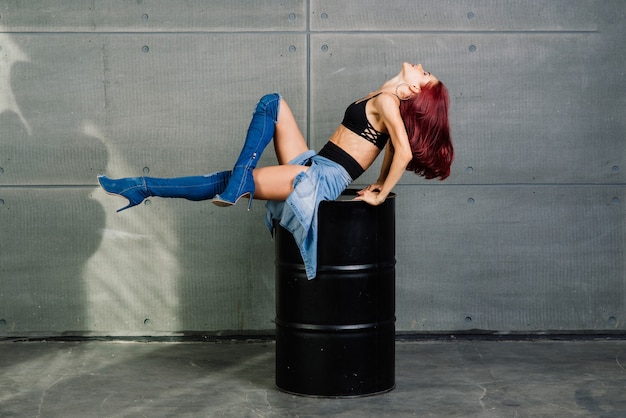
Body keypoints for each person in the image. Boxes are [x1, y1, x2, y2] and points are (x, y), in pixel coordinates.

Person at [98, 62, 453, 279]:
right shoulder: (386, 95)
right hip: (315, 161)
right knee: (273, 103)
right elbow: (392, 146)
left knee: (224, 181)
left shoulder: (390, 102)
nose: (421, 67)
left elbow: (402, 152)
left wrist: (379, 193)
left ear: (415, 89)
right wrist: (377, 182)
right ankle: (235, 181)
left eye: (426, 74)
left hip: (322, 178)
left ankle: (142, 187)